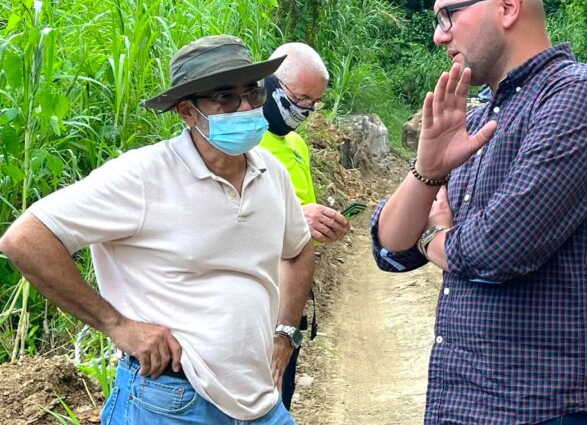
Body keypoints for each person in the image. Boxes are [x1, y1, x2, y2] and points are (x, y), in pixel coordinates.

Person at [372, 0, 587, 425]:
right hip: (465, 402)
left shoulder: (578, 97)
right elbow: (390, 248)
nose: (439, 36)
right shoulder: (477, 117)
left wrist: (435, 234)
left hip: (549, 407)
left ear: (508, 7)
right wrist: (428, 169)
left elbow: (499, 246)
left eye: (448, 15)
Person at [0, 35, 314, 424]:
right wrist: (118, 326)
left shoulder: (272, 173)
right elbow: (24, 239)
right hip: (170, 399)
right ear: (187, 111)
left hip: (259, 400)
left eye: (252, 92)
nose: (247, 107)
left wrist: (284, 334)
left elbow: (299, 247)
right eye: (226, 98)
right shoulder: (144, 177)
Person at [259, 41, 349, 410]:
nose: (306, 111)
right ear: (269, 84)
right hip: (256, 298)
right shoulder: (238, 142)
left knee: (281, 397)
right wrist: (297, 218)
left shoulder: (296, 143)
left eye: (314, 104)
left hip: (289, 303)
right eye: (299, 99)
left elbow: (300, 226)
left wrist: (321, 225)